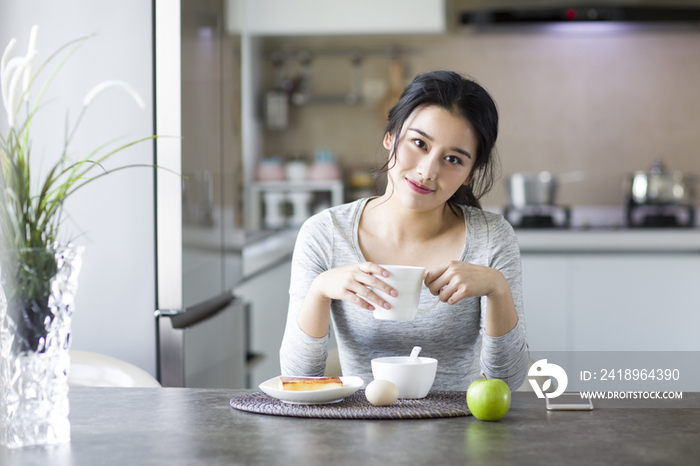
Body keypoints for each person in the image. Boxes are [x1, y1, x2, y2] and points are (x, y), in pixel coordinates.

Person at [279, 70, 529, 391]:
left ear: (469, 174)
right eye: (419, 143)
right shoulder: (325, 234)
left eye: (453, 159)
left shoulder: (492, 238)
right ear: (390, 136)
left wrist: (498, 289)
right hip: (357, 431)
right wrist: (319, 291)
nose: (427, 171)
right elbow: (298, 378)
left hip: (460, 432)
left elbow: (507, 380)